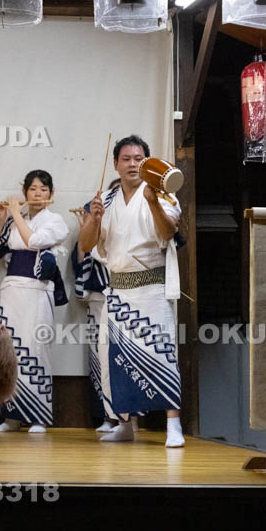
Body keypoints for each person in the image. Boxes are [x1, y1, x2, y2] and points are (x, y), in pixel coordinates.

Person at [78, 134, 185, 448]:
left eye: (138, 159)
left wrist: (151, 202)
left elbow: (168, 233)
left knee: (163, 353)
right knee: (115, 360)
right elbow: (86, 245)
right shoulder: (105, 200)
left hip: (152, 288)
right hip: (117, 291)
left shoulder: (162, 194)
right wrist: (93, 220)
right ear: (116, 164)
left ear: (147, 162)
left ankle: (173, 424)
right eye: (126, 159)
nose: (132, 164)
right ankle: (125, 425)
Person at [0, 170, 69, 434]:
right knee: (10, 351)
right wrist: (0, 221)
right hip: (11, 290)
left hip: (37, 290)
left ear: (52, 193)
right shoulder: (13, 221)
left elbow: (33, 241)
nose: (38, 194)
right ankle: (11, 417)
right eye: (33, 189)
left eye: (43, 189)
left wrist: (16, 214)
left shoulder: (55, 221)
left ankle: (38, 417)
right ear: (25, 192)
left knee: (36, 347)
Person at [71, 196, 118, 433]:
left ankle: (131, 417)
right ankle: (106, 416)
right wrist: (86, 230)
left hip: (127, 297)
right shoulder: (95, 230)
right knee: (100, 358)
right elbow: (81, 262)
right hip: (99, 298)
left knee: (124, 356)